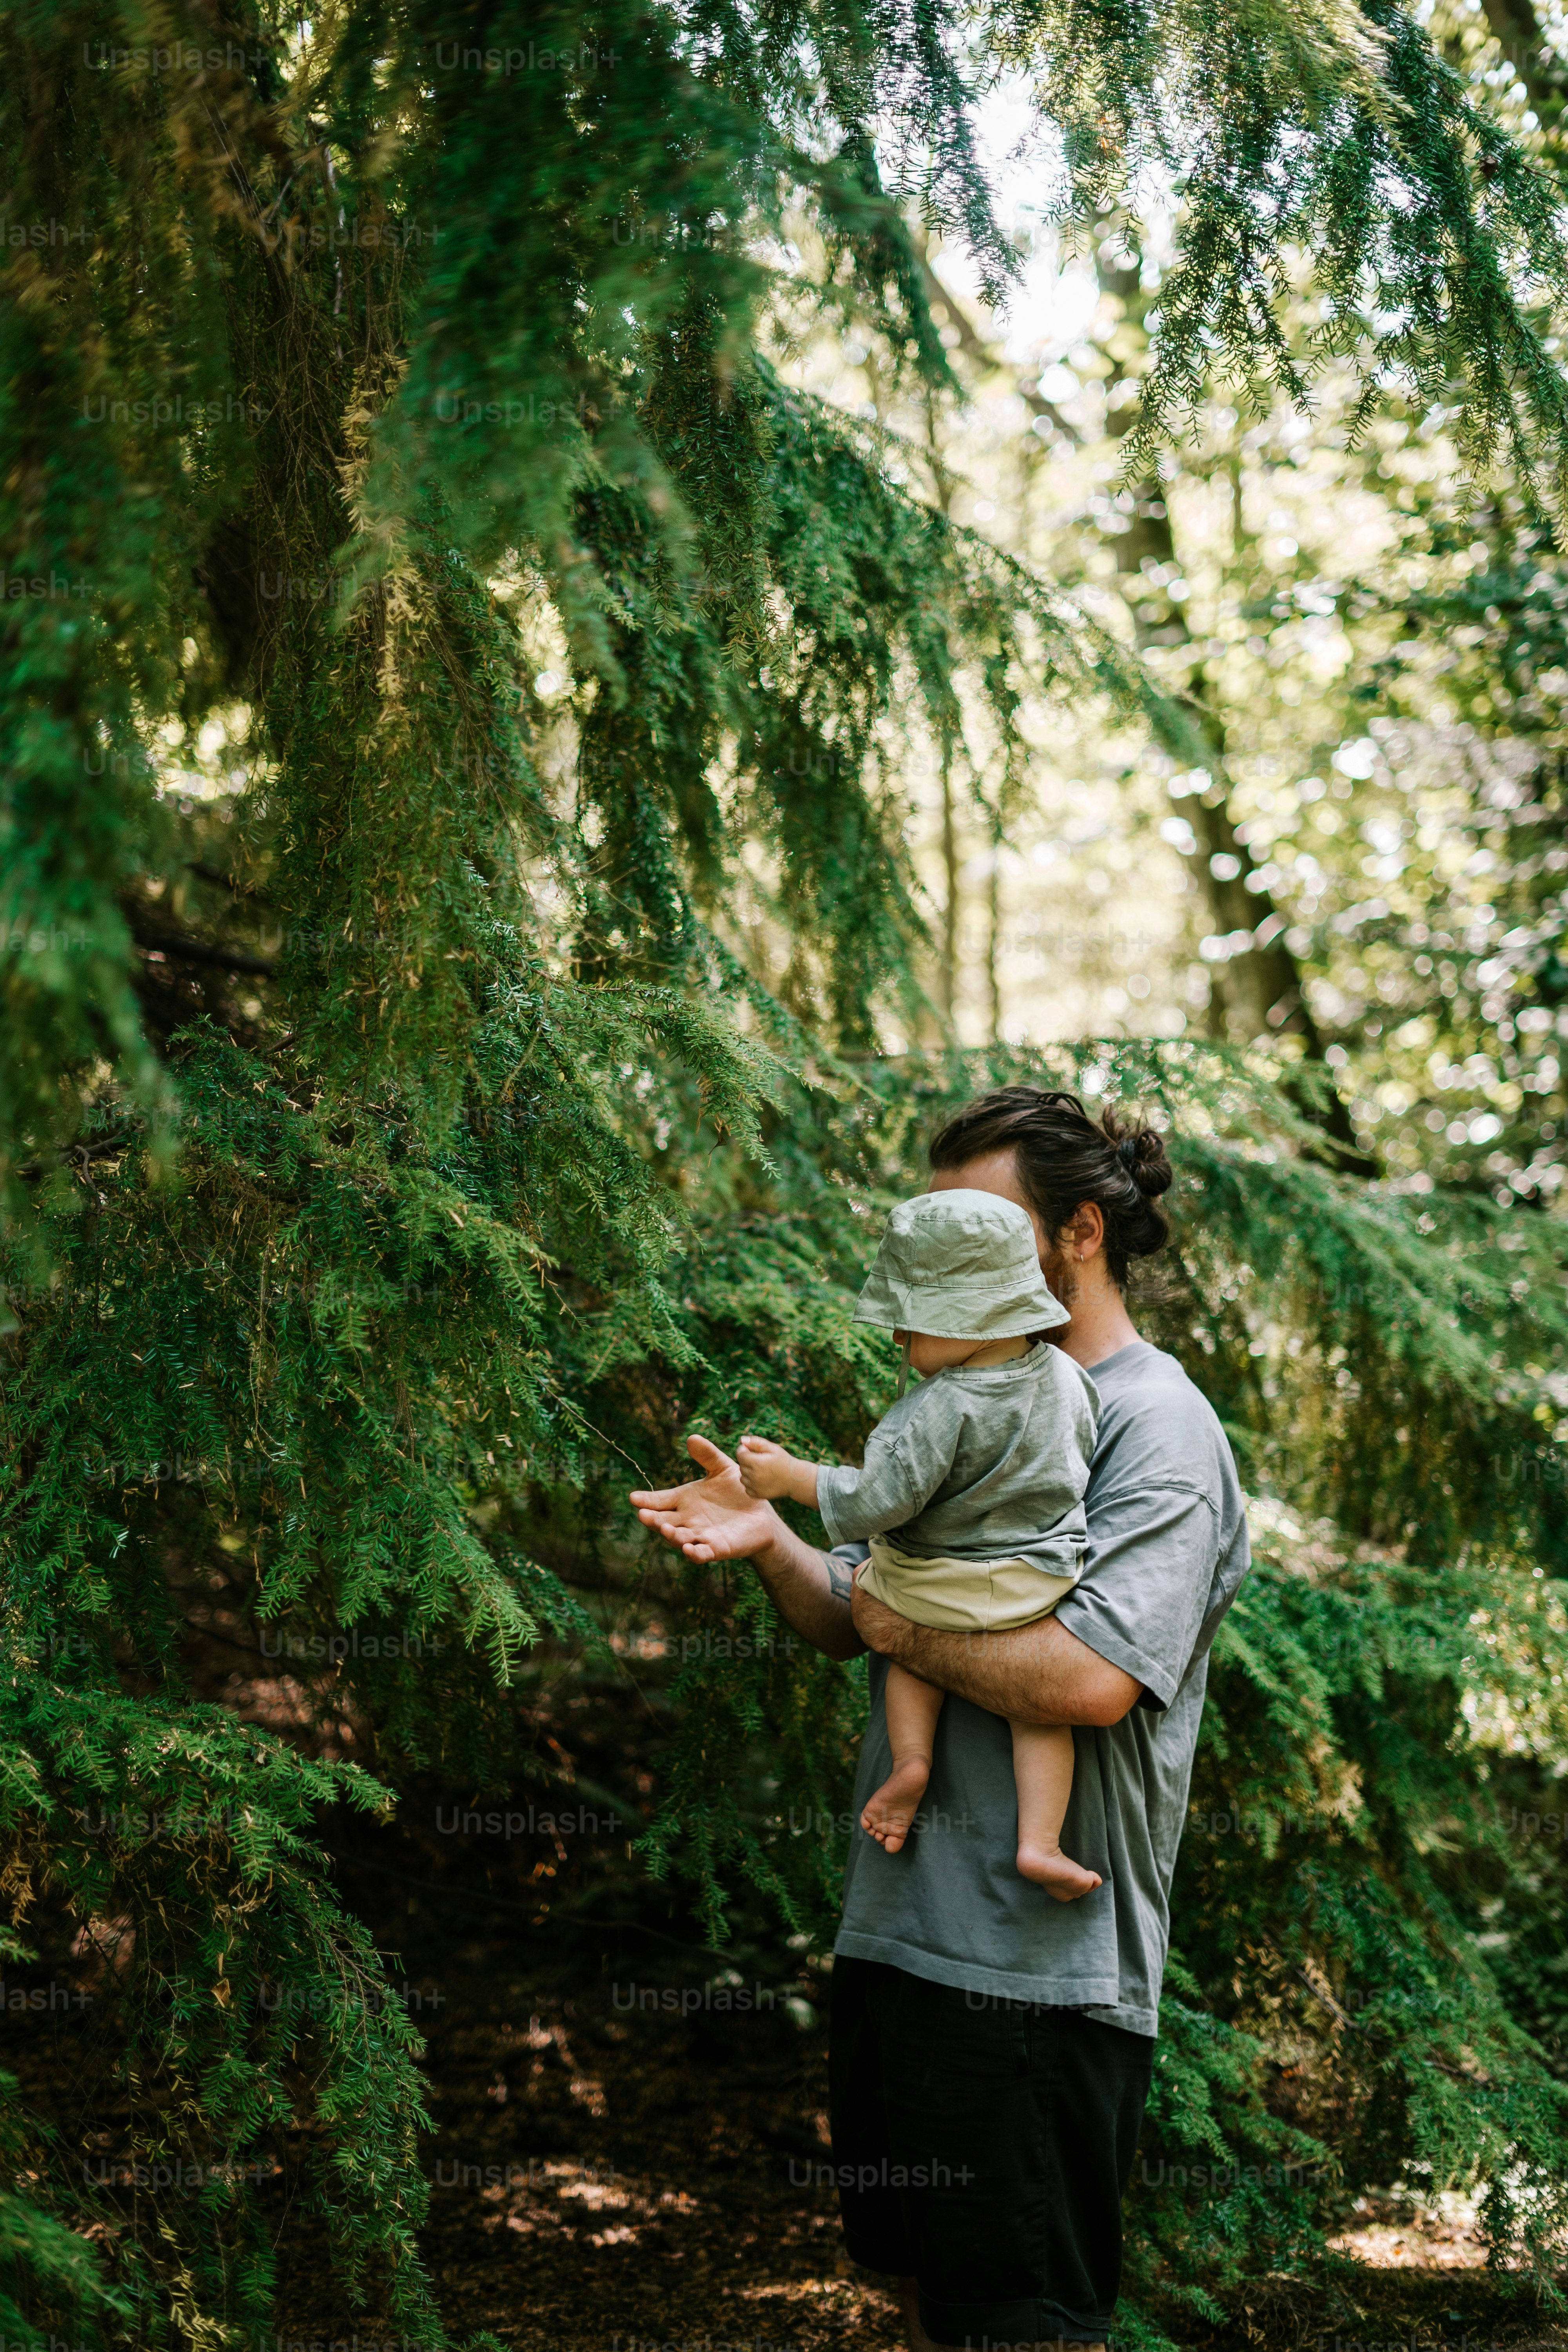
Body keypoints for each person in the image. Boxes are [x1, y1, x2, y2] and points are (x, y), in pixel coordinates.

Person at [631, 1086, 1252, 2352]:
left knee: (1015, 2323)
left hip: (1033, 1980)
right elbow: (860, 1609)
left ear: (1078, 1235)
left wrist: (888, 1617)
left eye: (977, 1225)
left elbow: (1087, 1680)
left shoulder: (1156, 1426)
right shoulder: (966, 1401)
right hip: (904, 1941)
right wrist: (773, 1545)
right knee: (928, 2300)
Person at [735, 1186, 1104, 1899]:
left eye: (909, 1325)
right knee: (1039, 1712)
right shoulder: (1070, 1377)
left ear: (966, 1316)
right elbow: (1078, 1461)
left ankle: (911, 1762)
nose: (898, 1342)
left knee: (904, 1636)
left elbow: (879, 1499)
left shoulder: (944, 1406)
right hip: (1040, 1581)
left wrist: (790, 1477)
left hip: (936, 1580)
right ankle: (1041, 1844)